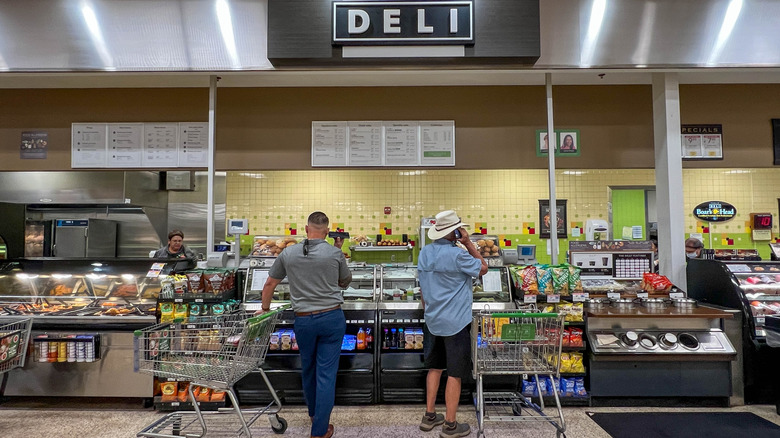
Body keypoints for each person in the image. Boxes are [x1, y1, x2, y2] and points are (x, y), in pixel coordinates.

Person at [259, 211, 351, 438]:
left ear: (306, 229)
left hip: (303, 320)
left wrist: (265, 309)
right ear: (328, 232)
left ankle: (313, 415)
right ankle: (319, 429)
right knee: (326, 375)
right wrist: (338, 250)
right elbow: (345, 281)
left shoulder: (289, 252)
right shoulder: (333, 253)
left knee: (308, 370)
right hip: (331, 318)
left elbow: (270, 283)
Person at [417, 210, 488, 438]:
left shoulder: (424, 252)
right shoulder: (459, 255)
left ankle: (429, 416)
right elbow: (483, 268)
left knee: (435, 367)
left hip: (432, 319)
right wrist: (468, 243)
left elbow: (422, 287)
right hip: (455, 322)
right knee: (455, 373)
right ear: (454, 232)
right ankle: (450, 424)